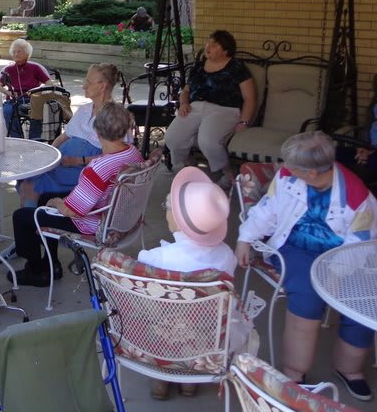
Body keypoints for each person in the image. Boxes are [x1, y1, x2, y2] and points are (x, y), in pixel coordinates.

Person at [235, 131, 377, 402]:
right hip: (296, 247)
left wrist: (336, 272)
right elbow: (267, 210)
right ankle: (294, 372)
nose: (285, 168)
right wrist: (245, 237)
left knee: (362, 299)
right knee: (307, 295)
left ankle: (349, 368)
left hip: (345, 255)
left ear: (311, 173)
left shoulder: (356, 196)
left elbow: (360, 241)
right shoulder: (287, 177)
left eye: (292, 166)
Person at [140, 167, 247, 400]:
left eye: (167, 209)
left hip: (164, 334)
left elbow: (140, 264)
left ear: (178, 221)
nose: (165, 213)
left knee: (158, 318)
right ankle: (190, 379)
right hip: (208, 334)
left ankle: (161, 378)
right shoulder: (226, 255)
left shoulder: (158, 258)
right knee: (197, 322)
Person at [9, 101, 143, 287]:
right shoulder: (133, 154)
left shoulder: (98, 168)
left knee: (22, 216)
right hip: (122, 217)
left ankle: (36, 271)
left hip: (98, 224)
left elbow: (71, 211)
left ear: (97, 131)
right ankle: (51, 263)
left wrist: (58, 202)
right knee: (45, 198)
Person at [17, 63, 120, 207]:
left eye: (88, 82)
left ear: (102, 86)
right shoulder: (85, 110)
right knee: (26, 174)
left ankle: (30, 218)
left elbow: (115, 158)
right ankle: (32, 216)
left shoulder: (115, 116)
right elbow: (63, 137)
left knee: (31, 184)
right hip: (63, 162)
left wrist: (79, 160)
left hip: (83, 171)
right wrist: (49, 155)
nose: (84, 86)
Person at [165, 29, 256, 188]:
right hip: (194, 107)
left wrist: (244, 122)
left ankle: (228, 173)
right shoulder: (199, 66)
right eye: (209, 42)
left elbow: (250, 97)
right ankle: (190, 165)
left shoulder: (236, 67)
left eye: (214, 44)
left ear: (226, 50)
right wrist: (184, 103)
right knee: (172, 138)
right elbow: (185, 91)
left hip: (224, 110)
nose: (208, 46)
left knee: (207, 141)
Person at [0, 38, 52, 138]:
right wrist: (8, 93)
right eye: (14, 52)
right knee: (7, 111)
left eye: (19, 51)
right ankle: (17, 138)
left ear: (27, 53)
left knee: (38, 109)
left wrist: (39, 92)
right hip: (14, 100)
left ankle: (34, 139)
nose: (15, 54)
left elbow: (49, 83)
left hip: (32, 99)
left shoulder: (35, 68)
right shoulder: (9, 69)